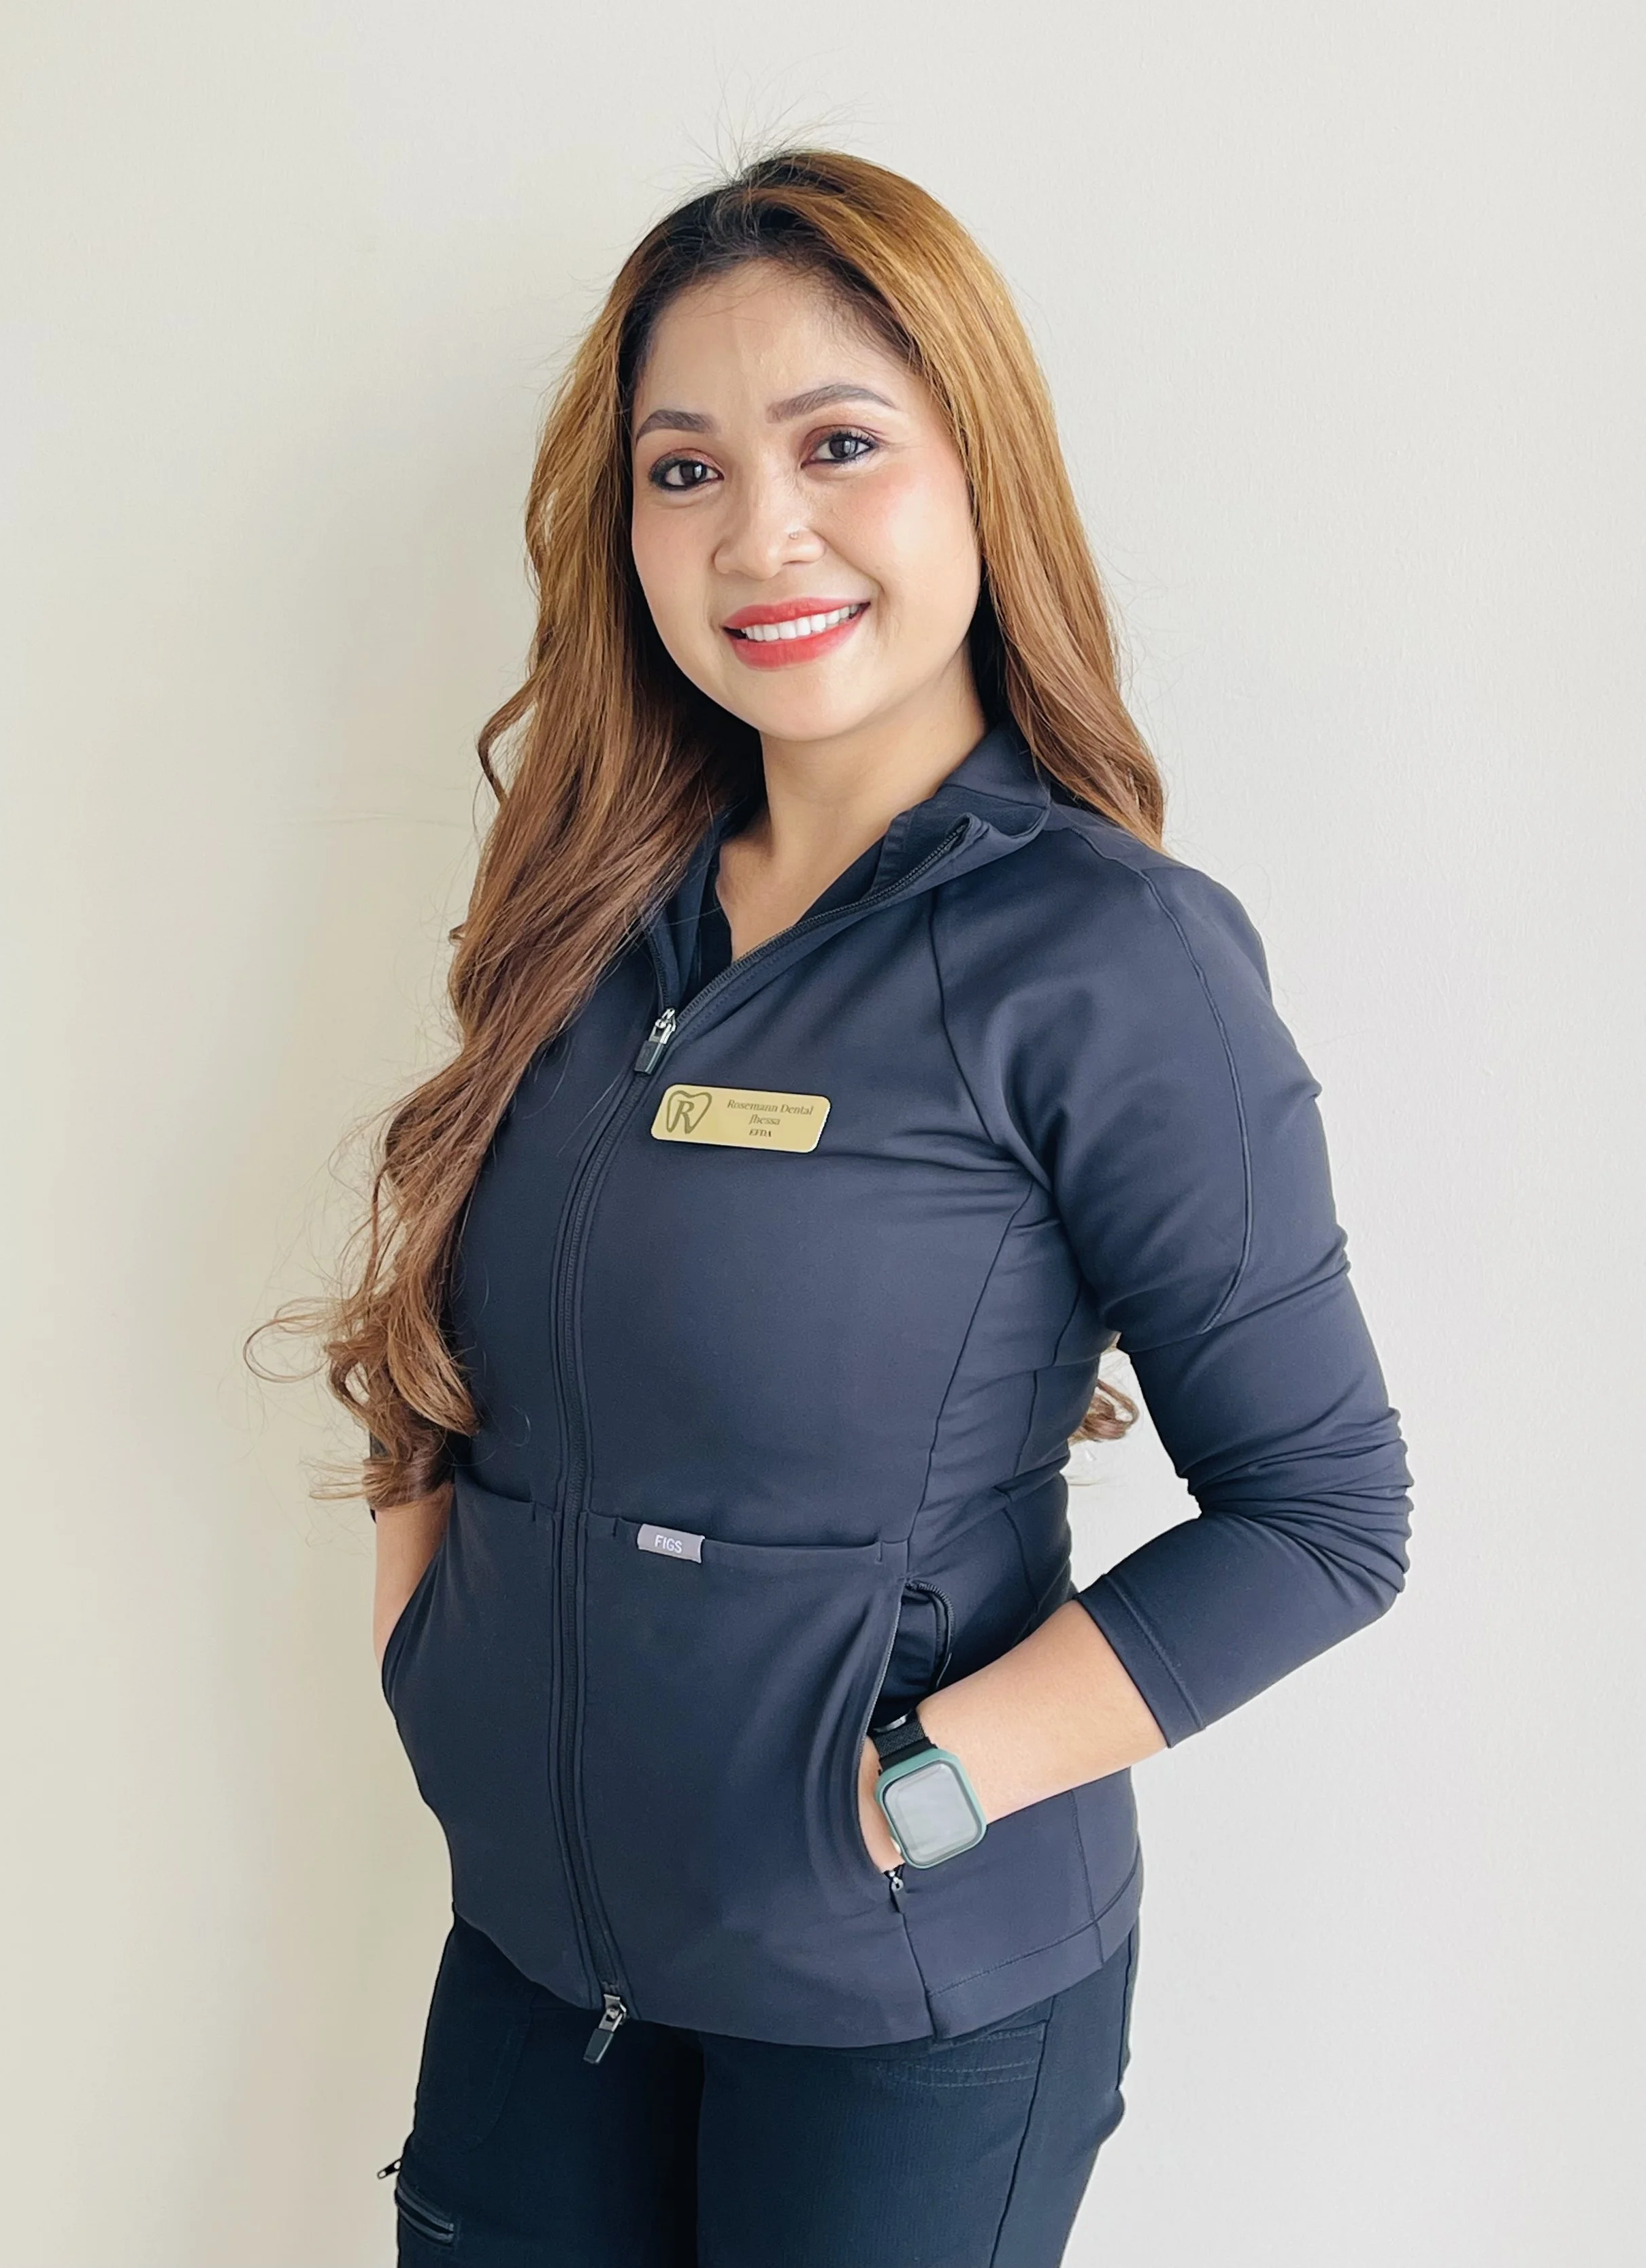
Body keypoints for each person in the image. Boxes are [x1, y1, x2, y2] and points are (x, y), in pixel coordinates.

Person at [299, 148, 1413, 2265]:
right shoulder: (579, 914)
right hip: (540, 1964)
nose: (760, 533)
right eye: (683, 467)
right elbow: (454, 1330)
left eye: (837, 445)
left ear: (976, 472)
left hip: (907, 2013)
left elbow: (1324, 1512)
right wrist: (426, 1652)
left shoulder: (1110, 956)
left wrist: (919, 1787)